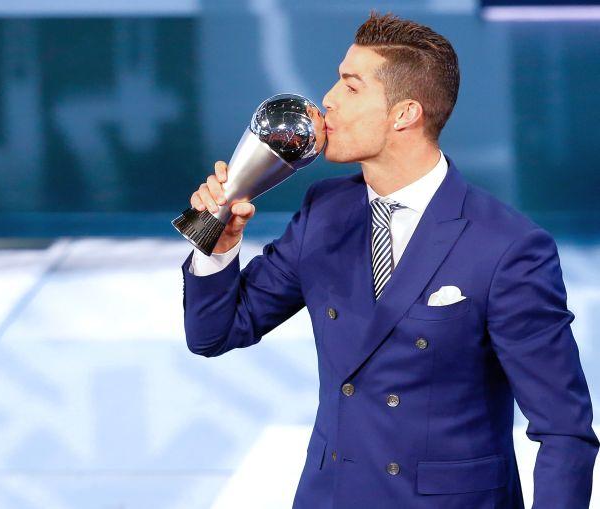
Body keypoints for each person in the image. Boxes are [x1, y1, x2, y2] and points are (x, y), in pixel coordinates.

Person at [180, 11, 598, 509]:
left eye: (350, 87)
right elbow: (213, 335)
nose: (327, 101)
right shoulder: (324, 212)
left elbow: (564, 433)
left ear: (405, 114)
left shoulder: (507, 247)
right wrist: (218, 244)